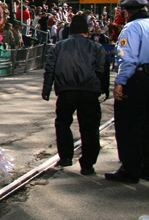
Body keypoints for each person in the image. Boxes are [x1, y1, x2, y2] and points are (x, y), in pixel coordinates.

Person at [42, 14, 107, 176]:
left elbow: (49, 67)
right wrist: (104, 89)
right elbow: (102, 70)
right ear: (87, 30)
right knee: (90, 128)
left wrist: (47, 89)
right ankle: (87, 164)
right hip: (89, 92)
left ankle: (66, 157)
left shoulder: (59, 46)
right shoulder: (96, 47)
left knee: (63, 123)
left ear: (71, 30)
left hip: (66, 91)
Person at [107, 0, 149, 183]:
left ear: (127, 12)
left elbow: (128, 58)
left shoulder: (132, 28)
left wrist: (120, 81)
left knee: (129, 125)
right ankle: (148, 168)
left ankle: (130, 168)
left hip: (138, 79)